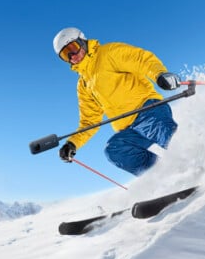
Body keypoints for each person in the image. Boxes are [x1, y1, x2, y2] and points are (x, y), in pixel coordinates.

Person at [54, 27, 181, 176]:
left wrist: (160, 74)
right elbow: (90, 121)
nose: (72, 56)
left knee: (167, 137)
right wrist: (72, 143)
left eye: (72, 48)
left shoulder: (108, 53)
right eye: (65, 55)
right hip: (128, 130)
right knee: (114, 149)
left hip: (148, 111)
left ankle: (194, 161)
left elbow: (140, 59)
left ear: (82, 41)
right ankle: (163, 176)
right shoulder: (83, 85)